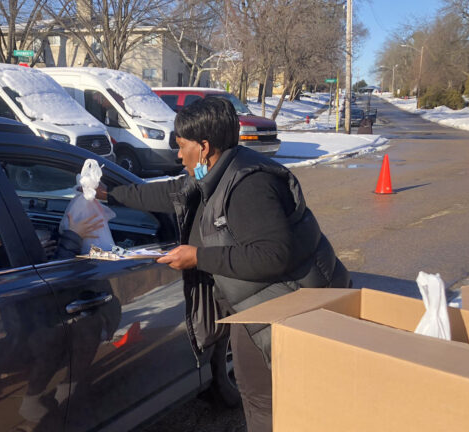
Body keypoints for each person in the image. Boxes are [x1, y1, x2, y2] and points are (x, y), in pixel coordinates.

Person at [97, 97, 350, 431]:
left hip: (282, 310)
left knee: (265, 402)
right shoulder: (216, 171)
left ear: (203, 147)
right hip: (259, 306)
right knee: (264, 398)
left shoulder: (249, 185)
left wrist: (198, 257)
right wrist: (109, 195)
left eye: (181, 145)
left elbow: (273, 255)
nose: (177, 154)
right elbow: (170, 194)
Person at [0, 204, 103, 274]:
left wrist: (36, 254)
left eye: (3, 218)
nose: (3, 223)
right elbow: (55, 277)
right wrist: (73, 236)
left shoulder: (17, 241)